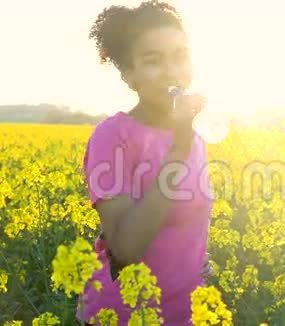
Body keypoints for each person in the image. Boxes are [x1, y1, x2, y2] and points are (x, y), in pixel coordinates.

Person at [78, 1, 213, 324]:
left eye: (180, 56)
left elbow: (189, 229)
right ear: (129, 75)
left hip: (186, 315)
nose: (172, 71)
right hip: (121, 315)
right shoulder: (112, 138)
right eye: (153, 61)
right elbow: (125, 250)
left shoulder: (195, 139)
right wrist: (177, 153)